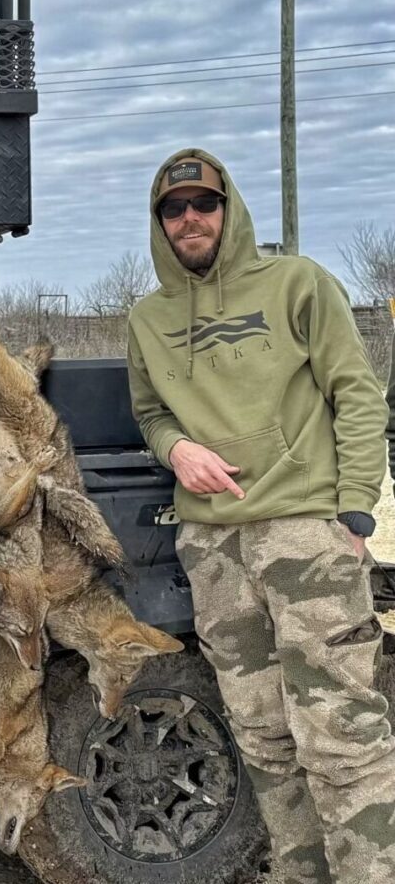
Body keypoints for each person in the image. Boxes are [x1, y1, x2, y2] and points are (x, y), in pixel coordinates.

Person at [127, 148, 395, 883]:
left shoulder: (296, 283)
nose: (190, 218)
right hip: (213, 546)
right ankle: (301, 872)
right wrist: (176, 447)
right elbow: (149, 413)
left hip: (305, 534)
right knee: (262, 735)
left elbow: (359, 395)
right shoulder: (146, 319)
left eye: (203, 203)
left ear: (228, 208)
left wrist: (353, 510)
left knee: (341, 735)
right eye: (173, 209)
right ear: (160, 223)